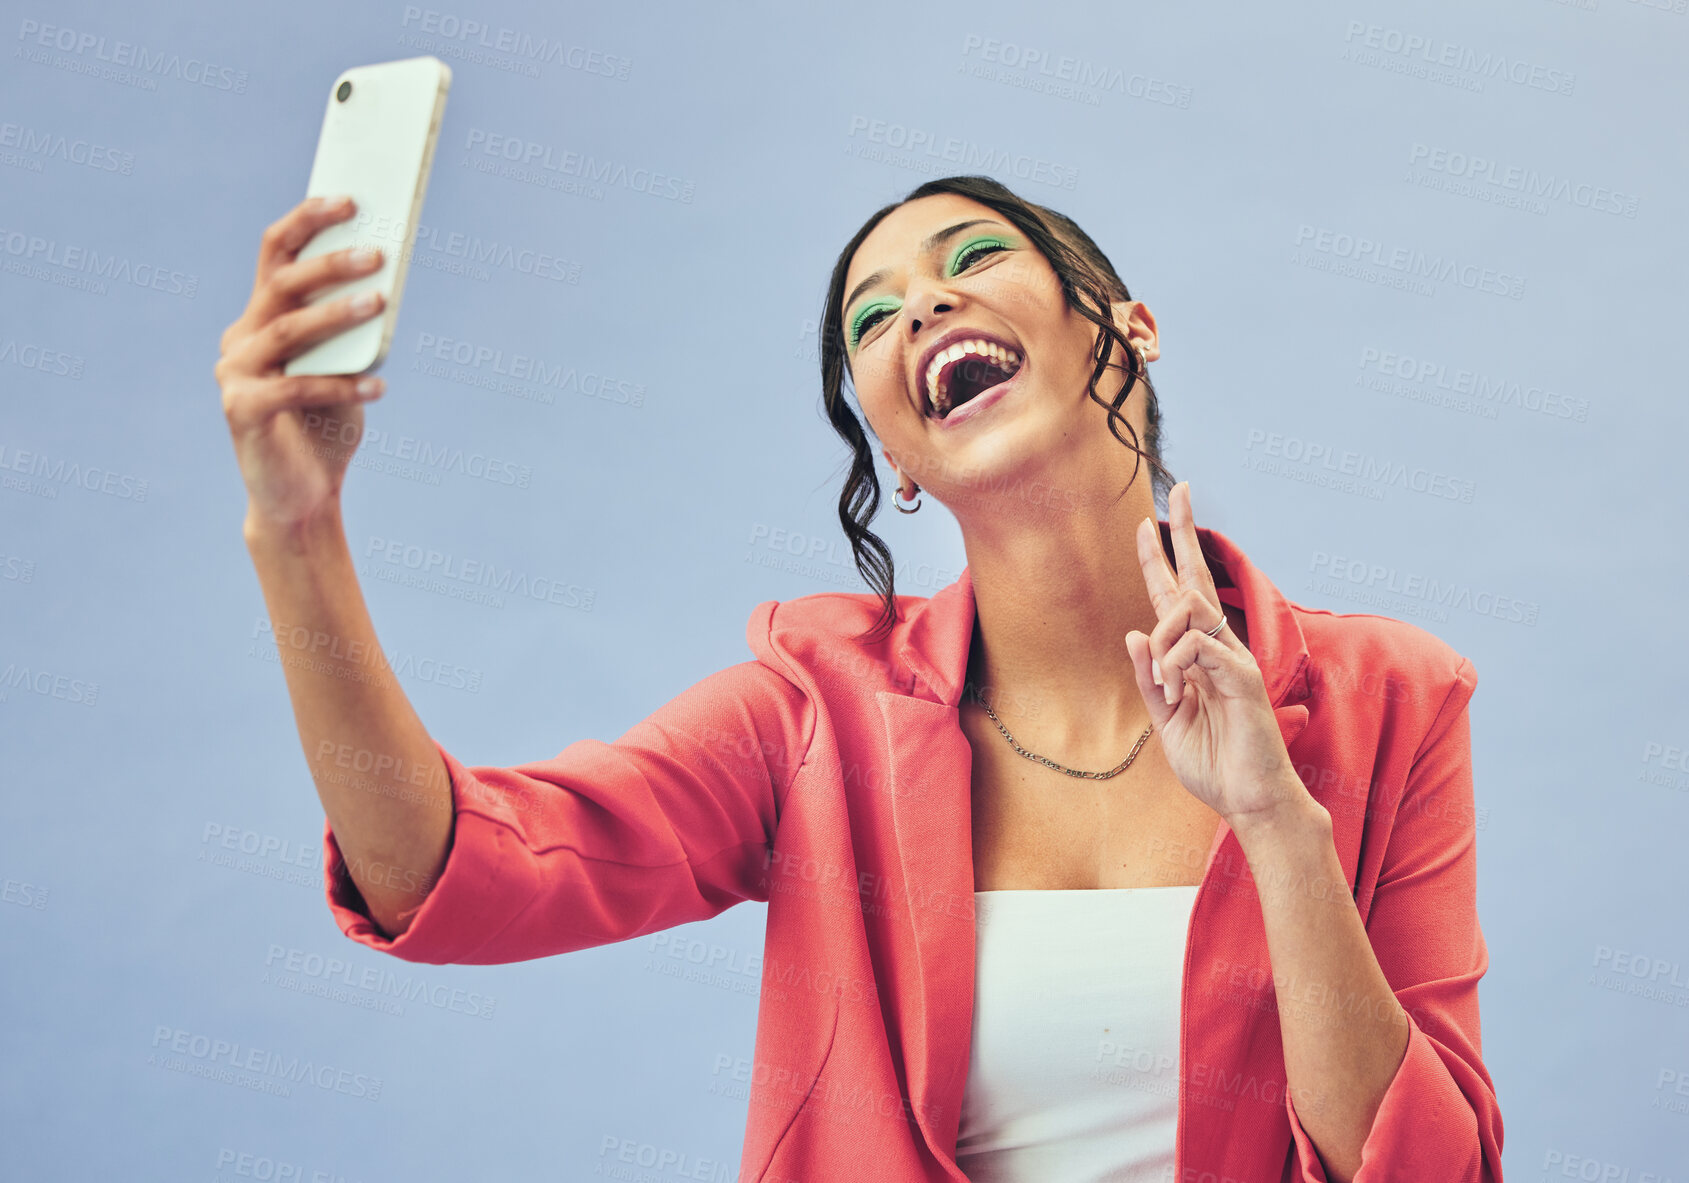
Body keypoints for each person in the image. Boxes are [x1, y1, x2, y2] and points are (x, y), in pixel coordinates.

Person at [217, 175, 1503, 1183]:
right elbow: (454, 874)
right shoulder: (810, 717)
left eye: (971, 260)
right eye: (874, 318)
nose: (924, 309)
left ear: (1131, 324)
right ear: (892, 450)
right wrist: (300, 532)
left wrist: (1279, 823)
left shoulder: (1387, 696)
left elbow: (1431, 1169)